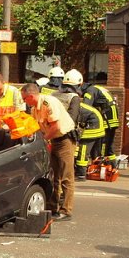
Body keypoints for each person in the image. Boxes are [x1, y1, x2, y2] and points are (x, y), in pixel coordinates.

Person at [22, 82, 76, 221]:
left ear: (31, 95)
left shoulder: (48, 102)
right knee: (54, 175)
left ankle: (66, 210)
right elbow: (37, 127)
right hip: (53, 140)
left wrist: (44, 140)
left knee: (66, 176)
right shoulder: (35, 109)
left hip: (64, 140)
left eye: (25, 98)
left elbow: (56, 126)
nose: (24, 101)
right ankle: (53, 208)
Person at [82, 81, 120, 166]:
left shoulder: (90, 91)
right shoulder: (98, 87)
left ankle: (100, 166)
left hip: (106, 118)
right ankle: (113, 166)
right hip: (112, 118)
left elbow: (85, 107)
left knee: (102, 144)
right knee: (108, 145)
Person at [74, 94, 106, 180]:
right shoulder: (78, 106)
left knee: (83, 149)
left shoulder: (74, 108)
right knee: (91, 150)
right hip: (97, 125)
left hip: (94, 126)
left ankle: (81, 175)